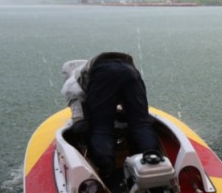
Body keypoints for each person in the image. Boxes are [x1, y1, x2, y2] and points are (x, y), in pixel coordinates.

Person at [61, 52, 160, 183]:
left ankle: (106, 171)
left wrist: (82, 124)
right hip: (130, 70)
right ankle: (152, 159)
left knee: (101, 128)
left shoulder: (71, 83)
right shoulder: (92, 69)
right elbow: (124, 100)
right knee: (141, 123)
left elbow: (80, 122)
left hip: (103, 74)